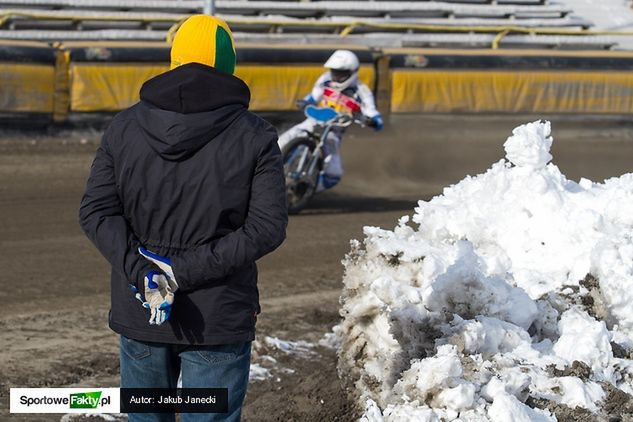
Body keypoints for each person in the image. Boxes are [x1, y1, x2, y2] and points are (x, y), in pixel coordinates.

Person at [79, 15, 287, 422]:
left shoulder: (123, 126)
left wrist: (144, 272)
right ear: (229, 63)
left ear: (174, 59)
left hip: (142, 307)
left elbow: (96, 210)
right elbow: (266, 228)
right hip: (218, 315)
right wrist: (178, 272)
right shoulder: (256, 134)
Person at [277, 49, 384, 192]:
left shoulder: (362, 91)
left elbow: (372, 113)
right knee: (280, 143)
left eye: (341, 73)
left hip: (334, 131)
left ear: (353, 72)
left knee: (334, 174)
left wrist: (373, 121)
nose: (336, 76)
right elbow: (314, 97)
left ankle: (306, 190)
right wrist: (305, 102)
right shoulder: (325, 79)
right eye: (334, 71)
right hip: (314, 122)